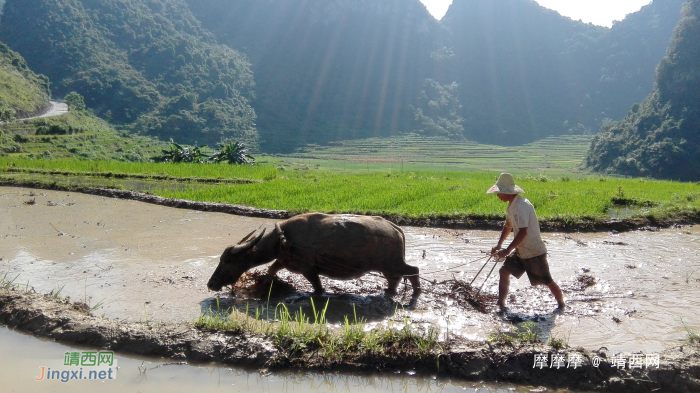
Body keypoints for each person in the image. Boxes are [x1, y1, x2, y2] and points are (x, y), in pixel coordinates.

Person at [486, 173, 565, 313]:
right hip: (521, 249)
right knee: (504, 271)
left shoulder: (521, 206)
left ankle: (561, 305)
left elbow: (523, 232)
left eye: (499, 193)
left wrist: (508, 250)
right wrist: (499, 245)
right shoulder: (511, 206)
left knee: (547, 281)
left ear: (507, 192)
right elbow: (508, 226)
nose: (497, 195)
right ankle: (501, 304)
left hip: (534, 251)